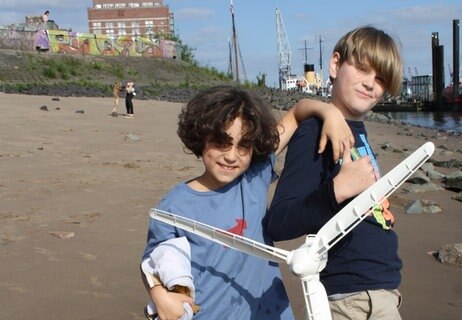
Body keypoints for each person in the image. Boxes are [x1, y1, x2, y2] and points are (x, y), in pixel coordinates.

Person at [141, 85, 351, 320]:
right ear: (201, 137)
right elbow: (152, 262)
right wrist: (159, 295)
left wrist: (329, 112)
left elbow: (296, 113)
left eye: (243, 146)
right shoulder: (172, 207)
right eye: (222, 142)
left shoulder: (254, 176)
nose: (231, 156)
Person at [264, 26, 403, 320]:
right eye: (363, 69)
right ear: (336, 65)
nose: (370, 84)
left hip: (381, 289)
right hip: (351, 298)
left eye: (380, 79)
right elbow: (279, 220)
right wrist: (337, 189)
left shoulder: (356, 131)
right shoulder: (316, 132)